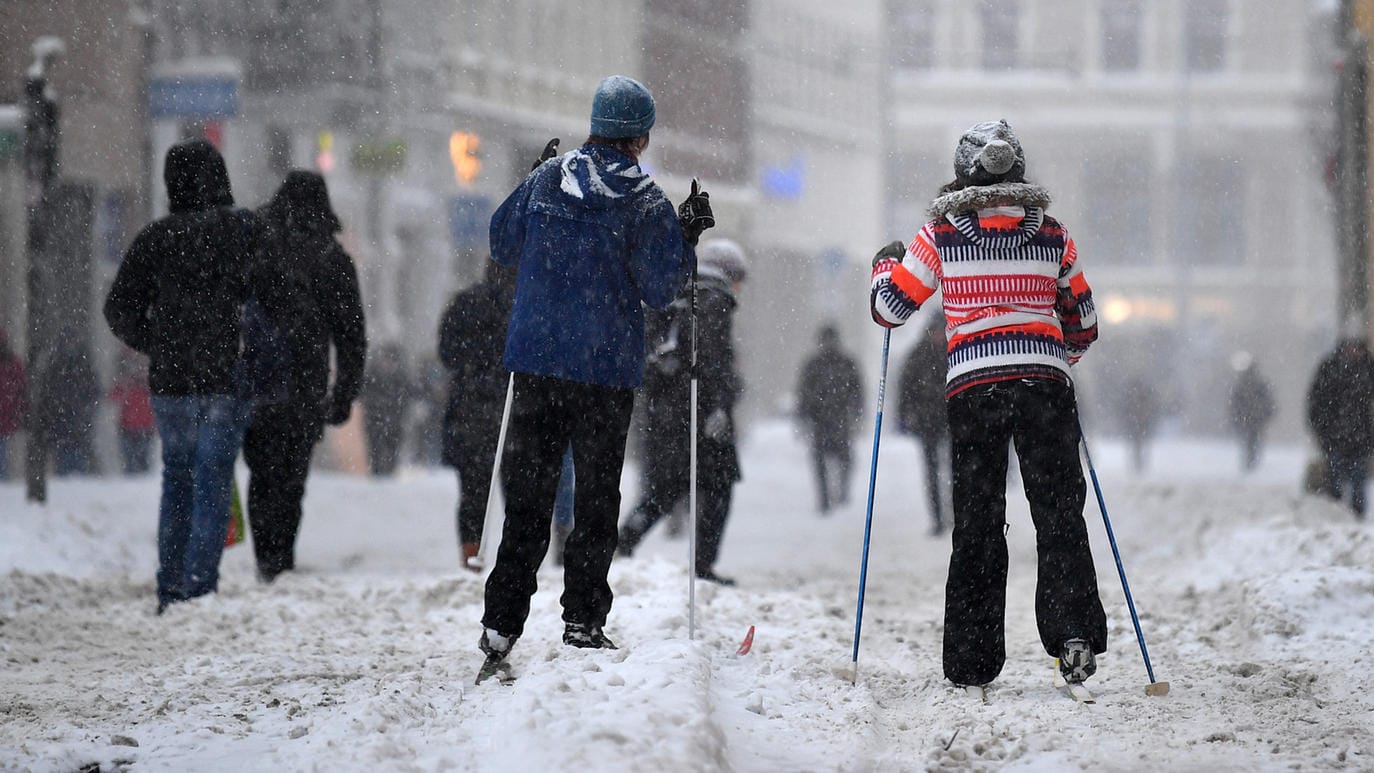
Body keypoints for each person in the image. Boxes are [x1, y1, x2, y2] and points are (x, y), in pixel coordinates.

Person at [477, 74, 707, 668]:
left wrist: (530, 177)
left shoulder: (546, 180)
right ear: (642, 137)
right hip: (605, 370)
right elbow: (660, 289)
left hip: (537, 361)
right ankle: (582, 619)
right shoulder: (646, 200)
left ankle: (502, 622)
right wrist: (685, 237)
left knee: (528, 496)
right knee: (597, 499)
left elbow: (502, 245)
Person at [869, 119, 1107, 689]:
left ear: (961, 175)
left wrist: (885, 264)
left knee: (977, 520)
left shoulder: (942, 236)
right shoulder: (1053, 234)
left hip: (974, 391)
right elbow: (1086, 321)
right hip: (1044, 386)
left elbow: (891, 310)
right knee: (1058, 513)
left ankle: (973, 658)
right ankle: (1072, 633)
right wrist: (1054, 354)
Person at [103, 139, 264, 612]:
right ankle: (199, 587)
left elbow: (118, 308)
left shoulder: (155, 239)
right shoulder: (241, 232)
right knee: (212, 479)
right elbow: (270, 294)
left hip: (170, 383)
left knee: (177, 478)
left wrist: (158, 342)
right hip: (222, 377)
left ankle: (171, 586)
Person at [241, 170, 366, 583]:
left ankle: (266, 555)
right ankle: (281, 555)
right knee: (292, 477)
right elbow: (351, 335)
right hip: (304, 384)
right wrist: (344, 393)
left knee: (262, 472)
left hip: (258, 380)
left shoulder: (256, 247)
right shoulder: (331, 259)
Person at [618, 238, 748, 585]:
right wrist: (720, 403)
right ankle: (703, 566)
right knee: (719, 486)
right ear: (729, 273)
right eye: (740, 277)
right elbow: (712, 360)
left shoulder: (672, 294)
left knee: (665, 489)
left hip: (667, 413)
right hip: (703, 413)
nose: (740, 287)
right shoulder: (714, 300)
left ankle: (622, 542)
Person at [438, 262, 515, 570]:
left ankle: (471, 557)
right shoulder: (523, 306)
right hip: (513, 412)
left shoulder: (464, 303)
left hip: (469, 412)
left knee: (473, 495)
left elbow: (447, 354)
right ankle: (516, 561)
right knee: (520, 495)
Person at [795, 324, 864, 513]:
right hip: (824, 419)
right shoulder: (818, 365)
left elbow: (857, 391)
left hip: (837, 418)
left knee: (841, 459)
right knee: (824, 460)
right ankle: (826, 498)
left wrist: (857, 412)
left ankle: (838, 493)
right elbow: (804, 393)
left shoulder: (843, 363)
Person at [1306, 332, 1374, 519]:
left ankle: (1357, 515)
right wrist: (1321, 429)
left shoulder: (1368, 369)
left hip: (1361, 438)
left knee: (1358, 479)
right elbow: (1316, 402)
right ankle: (1336, 515)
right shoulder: (1329, 368)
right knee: (1334, 479)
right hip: (1335, 437)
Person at [897, 321, 950, 535]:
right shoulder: (920, 355)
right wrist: (904, 415)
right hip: (930, 422)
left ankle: (955, 515)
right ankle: (938, 518)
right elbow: (905, 388)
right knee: (933, 472)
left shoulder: (923, 354)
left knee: (955, 471)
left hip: (950, 421)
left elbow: (905, 387)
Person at [46, 334, 100, 476]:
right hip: (65, 417)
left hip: (76, 418)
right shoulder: (59, 365)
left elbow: (94, 390)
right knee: (66, 454)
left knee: (76, 453)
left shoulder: (78, 365)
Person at [361, 343, 413, 476]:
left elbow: (409, 394)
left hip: (395, 419)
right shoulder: (371, 376)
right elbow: (363, 394)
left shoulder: (401, 378)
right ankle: (376, 470)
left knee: (393, 446)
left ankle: (390, 470)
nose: (388, 364)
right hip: (374, 418)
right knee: (375, 447)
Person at [108, 348, 156, 475]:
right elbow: (112, 396)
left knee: (140, 461)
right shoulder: (127, 383)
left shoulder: (142, 384)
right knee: (132, 462)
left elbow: (112, 396)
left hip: (142, 427)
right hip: (130, 427)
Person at [1228, 352, 1274, 473]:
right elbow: (1268, 401)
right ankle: (1251, 462)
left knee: (1249, 441)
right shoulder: (1259, 383)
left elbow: (1235, 402)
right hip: (1255, 419)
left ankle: (1250, 462)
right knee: (1253, 441)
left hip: (1248, 418)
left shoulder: (1244, 383)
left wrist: (1235, 415)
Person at [1118, 373, 1160, 474]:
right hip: (1138, 424)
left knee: (1138, 444)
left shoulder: (1136, 397)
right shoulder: (1140, 397)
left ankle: (1139, 462)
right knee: (1137, 444)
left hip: (1138, 424)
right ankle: (1138, 462)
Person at [0, 327, 26, 480]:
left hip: (7, 414)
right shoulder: (13, 362)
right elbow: (20, 387)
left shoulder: (13, 363)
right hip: (7, 414)